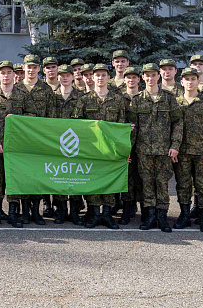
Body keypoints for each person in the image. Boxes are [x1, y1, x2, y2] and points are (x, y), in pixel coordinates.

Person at [127, 63, 183, 232]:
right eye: (147, 75)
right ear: (142, 78)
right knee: (147, 184)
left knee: (162, 184)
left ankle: (162, 216)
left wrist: (175, 145)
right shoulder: (137, 101)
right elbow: (131, 128)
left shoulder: (168, 98)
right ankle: (150, 216)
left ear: (158, 76)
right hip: (143, 151)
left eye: (153, 75)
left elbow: (178, 123)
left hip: (164, 150)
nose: (150, 78)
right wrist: (128, 151)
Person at [73, 63, 125, 229]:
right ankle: (95, 214)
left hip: (111, 149)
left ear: (108, 78)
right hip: (92, 149)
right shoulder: (84, 100)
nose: (100, 78)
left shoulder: (118, 100)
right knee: (93, 179)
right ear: (92, 78)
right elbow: (77, 124)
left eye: (103, 75)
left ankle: (108, 215)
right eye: (97, 75)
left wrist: (121, 150)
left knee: (109, 179)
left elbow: (122, 125)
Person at [173, 67, 203, 232]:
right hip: (182, 152)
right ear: (182, 82)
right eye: (187, 79)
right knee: (183, 184)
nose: (190, 82)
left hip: (202, 152)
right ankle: (185, 215)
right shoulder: (176, 102)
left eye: (193, 79)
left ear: (198, 81)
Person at [0, 61, 28, 227]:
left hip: (16, 147)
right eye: (3, 73)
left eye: (9, 72)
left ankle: (13, 214)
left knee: (14, 180)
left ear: (13, 75)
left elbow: (30, 115)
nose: (6, 75)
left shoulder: (22, 95)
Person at [19, 54, 55, 225]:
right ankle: (24, 211)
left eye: (34, 67)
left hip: (40, 141)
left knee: (38, 176)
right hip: (21, 141)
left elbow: (51, 117)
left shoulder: (46, 89)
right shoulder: (16, 88)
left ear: (39, 69)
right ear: (24, 68)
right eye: (29, 67)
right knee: (24, 176)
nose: (31, 70)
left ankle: (36, 211)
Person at [53, 64, 82, 224]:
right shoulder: (52, 96)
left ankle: (75, 212)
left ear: (72, 77)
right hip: (57, 143)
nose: (64, 78)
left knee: (75, 178)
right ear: (58, 77)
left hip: (76, 144)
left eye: (68, 75)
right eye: (62, 75)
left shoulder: (81, 96)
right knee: (60, 178)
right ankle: (62, 210)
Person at [118, 66, 143, 224]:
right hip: (125, 142)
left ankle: (145, 209)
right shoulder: (119, 98)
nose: (131, 80)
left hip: (144, 143)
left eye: (134, 77)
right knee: (126, 177)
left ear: (139, 80)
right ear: (124, 80)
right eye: (128, 77)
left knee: (142, 177)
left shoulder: (145, 98)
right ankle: (127, 208)